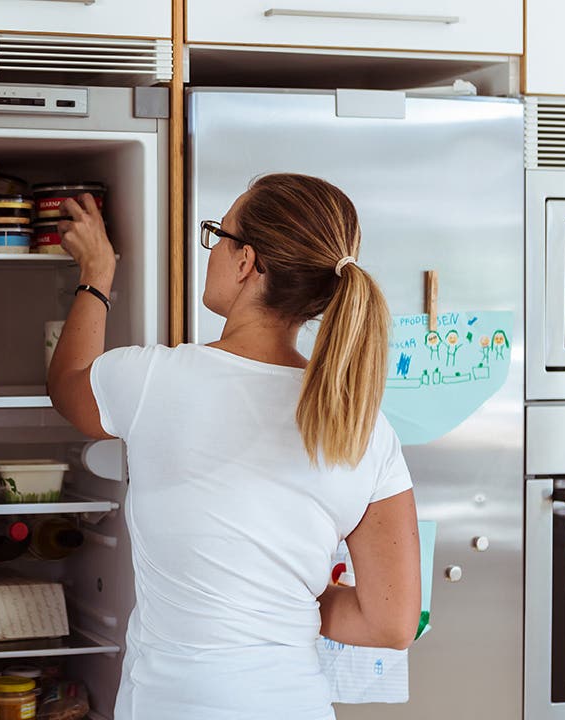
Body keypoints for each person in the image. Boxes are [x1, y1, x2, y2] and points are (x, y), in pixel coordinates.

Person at [47, 173, 421, 720]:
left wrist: (96, 274)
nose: (212, 249)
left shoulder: (156, 380)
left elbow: (68, 385)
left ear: (246, 261)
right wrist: (281, 598)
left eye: (216, 234)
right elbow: (391, 625)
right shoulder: (363, 427)